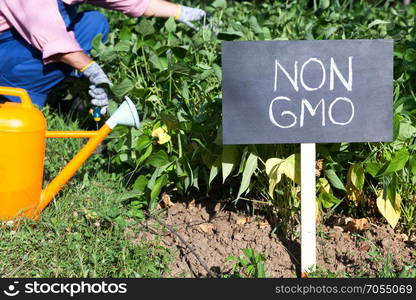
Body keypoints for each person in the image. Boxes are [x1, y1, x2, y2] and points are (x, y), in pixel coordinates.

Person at [0, 0, 206, 114]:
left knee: (94, 23)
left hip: (26, 42)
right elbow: (52, 38)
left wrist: (183, 12)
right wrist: (92, 71)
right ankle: (14, 100)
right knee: (74, 47)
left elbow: (135, 2)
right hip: (6, 50)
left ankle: (63, 96)